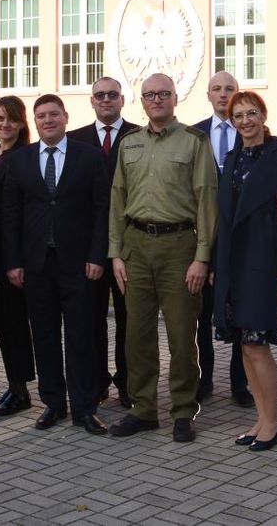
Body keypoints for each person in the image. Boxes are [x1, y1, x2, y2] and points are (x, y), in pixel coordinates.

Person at [108, 72, 218, 442]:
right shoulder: (129, 144)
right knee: (136, 334)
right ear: (141, 100)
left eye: (164, 93)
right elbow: (117, 200)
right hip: (136, 247)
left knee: (182, 335)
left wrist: (202, 256)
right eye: (150, 94)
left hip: (179, 248)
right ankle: (143, 409)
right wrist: (116, 253)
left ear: (175, 98)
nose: (157, 99)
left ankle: (184, 411)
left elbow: (206, 199)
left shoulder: (194, 142)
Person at [2, 94, 111, 434]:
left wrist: (97, 256)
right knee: (45, 334)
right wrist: (13, 262)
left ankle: (85, 407)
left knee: (81, 335)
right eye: (41, 116)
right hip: (35, 264)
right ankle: (53, 403)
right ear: (34, 122)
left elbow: (101, 210)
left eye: (53, 114)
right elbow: (11, 216)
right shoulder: (19, 161)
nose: (47, 120)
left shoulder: (89, 157)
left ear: (65, 117)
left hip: (78, 263)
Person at [211, 91, 277, 451]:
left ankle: (274, 422)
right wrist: (219, 265)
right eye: (238, 116)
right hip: (234, 263)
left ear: (264, 115)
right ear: (231, 121)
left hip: (264, 262)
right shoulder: (233, 158)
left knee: (258, 344)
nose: (245, 121)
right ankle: (261, 418)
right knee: (244, 346)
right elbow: (224, 216)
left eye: (252, 113)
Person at [67, 77, 140, 409]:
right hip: (89, 247)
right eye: (100, 95)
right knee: (90, 317)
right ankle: (96, 384)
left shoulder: (140, 136)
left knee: (130, 318)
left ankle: (128, 384)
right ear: (91, 101)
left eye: (113, 95)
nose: (106, 99)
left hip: (132, 245)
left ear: (122, 100)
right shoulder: (73, 140)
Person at [191, 70, 250, 407]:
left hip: (240, 240)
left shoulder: (251, 133)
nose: (223, 94)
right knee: (202, 316)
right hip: (201, 239)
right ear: (208, 94)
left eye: (230, 89)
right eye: (217, 89)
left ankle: (240, 383)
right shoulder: (193, 134)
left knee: (239, 312)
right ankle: (204, 379)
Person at [0, 97, 37, 418]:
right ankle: (15, 386)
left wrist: (17, 260)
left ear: (21, 123)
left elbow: (23, 213)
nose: (5, 124)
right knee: (1, 325)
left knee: (15, 325)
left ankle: (21, 391)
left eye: (11, 119)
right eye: (0, 118)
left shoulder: (25, 157)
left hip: (13, 257)